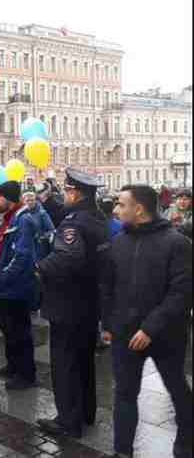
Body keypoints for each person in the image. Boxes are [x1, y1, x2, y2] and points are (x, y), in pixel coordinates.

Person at [102, 185, 192, 458]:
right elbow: (108, 287)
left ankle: (187, 442)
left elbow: (182, 293)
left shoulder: (176, 243)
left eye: (121, 204)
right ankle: (122, 451)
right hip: (125, 335)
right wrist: (108, 324)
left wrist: (150, 328)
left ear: (138, 209)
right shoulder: (118, 242)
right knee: (125, 394)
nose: (116, 210)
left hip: (166, 335)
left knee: (177, 388)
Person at [35, 167, 111, 439]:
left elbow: (67, 258)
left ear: (76, 193)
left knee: (65, 363)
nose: (65, 194)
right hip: (89, 304)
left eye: (67, 190)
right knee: (84, 360)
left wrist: (40, 267)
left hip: (67, 305)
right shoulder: (97, 219)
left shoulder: (73, 224)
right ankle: (86, 412)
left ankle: (68, 420)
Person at [0, 181, 39, 391]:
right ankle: (13, 365)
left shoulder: (23, 220)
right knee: (8, 328)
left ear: (9, 199)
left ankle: (26, 375)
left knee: (20, 332)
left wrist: (0, 280)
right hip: (7, 287)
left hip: (17, 288)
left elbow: (22, 258)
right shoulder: (8, 219)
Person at [23, 191, 56, 260]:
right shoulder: (21, 213)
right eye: (27, 200)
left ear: (35, 200)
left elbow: (52, 230)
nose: (30, 202)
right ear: (24, 201)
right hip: (24, 249)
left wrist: (41, 237)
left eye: (32, 200)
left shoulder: (42, 213)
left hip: (38, 249)